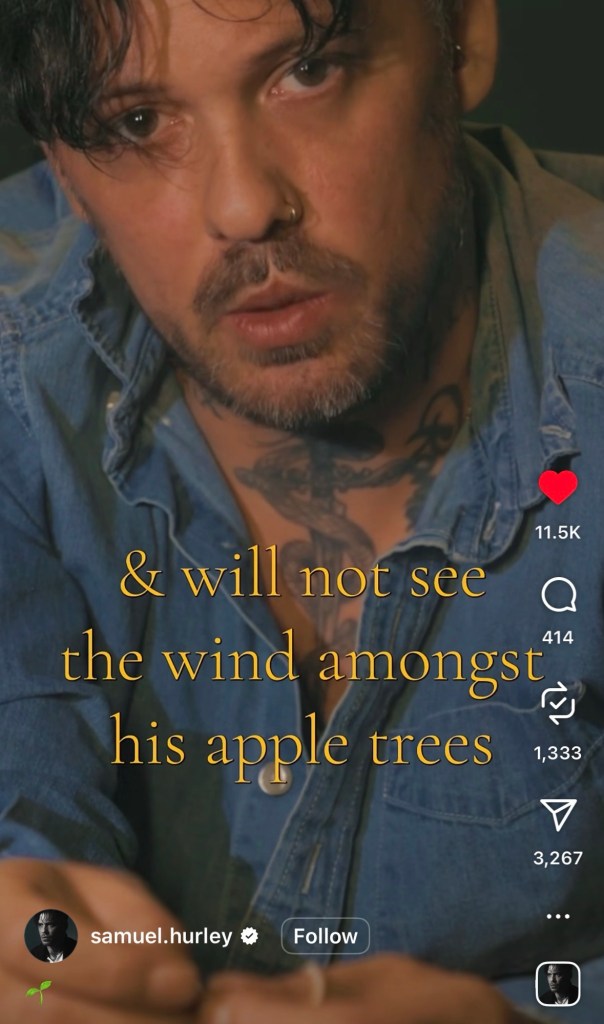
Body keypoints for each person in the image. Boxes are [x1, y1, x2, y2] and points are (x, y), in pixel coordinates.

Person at [0, 0, 603, 1022]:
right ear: (64, 165)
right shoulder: (21, 383)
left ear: (464, 37)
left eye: (309, 72)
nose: (245, 207)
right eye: (138, 124)